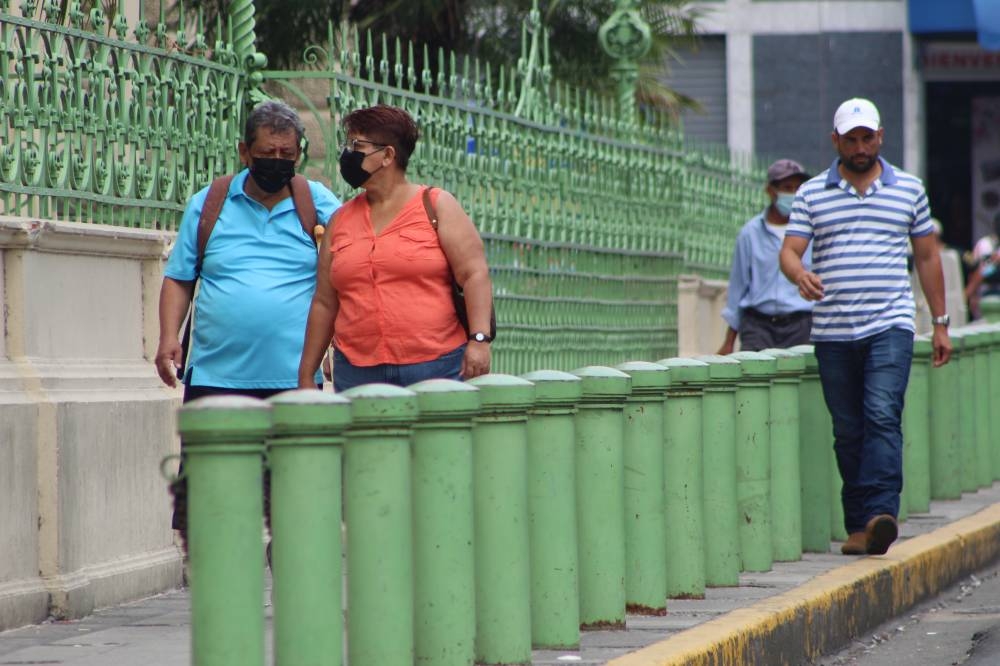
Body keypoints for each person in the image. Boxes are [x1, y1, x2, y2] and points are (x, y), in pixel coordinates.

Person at [155, 99, 341, 552]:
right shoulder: (210, 202)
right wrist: (166, 339)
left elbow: (347, 276)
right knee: (205, 513)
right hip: (216, 382)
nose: (277, 162)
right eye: (266, 153)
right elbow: (180, 278)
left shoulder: (317, 204)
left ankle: (297, 598)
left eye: (287, 155)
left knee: (297, 511)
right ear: (243, 151)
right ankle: (219, 597)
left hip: (295, 384)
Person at [779, 97, 952, 557]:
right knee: (848, 429)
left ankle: (881, 512)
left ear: (881, 137)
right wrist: (800, 274)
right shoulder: (812, 193)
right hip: (834, 330)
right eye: (851, 139)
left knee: (881, 414)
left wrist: (940, 323)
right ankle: (860, 526)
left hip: (890, 323)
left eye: (867, 138)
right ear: (835, 141)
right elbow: (791, 250)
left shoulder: (909, 189)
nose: (860, 147)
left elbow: (928, 256)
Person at [297, 104, 493, 391]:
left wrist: (479, 340)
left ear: (388, 155)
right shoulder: (340, 220)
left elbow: (474, 273)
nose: (347, 153)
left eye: (357, 145)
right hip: (358, 372)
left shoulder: (435, 205)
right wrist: (306, 374)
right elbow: (325, 302)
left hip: (437, 367)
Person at [718, 159, 814, 354]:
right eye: (787, 188)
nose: (793, 194)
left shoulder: (811, 232)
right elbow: (738, 288)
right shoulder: (750, 233)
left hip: (801, 325)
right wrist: (729, 342)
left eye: (798, 188)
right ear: (771, 191)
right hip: (758, 326)